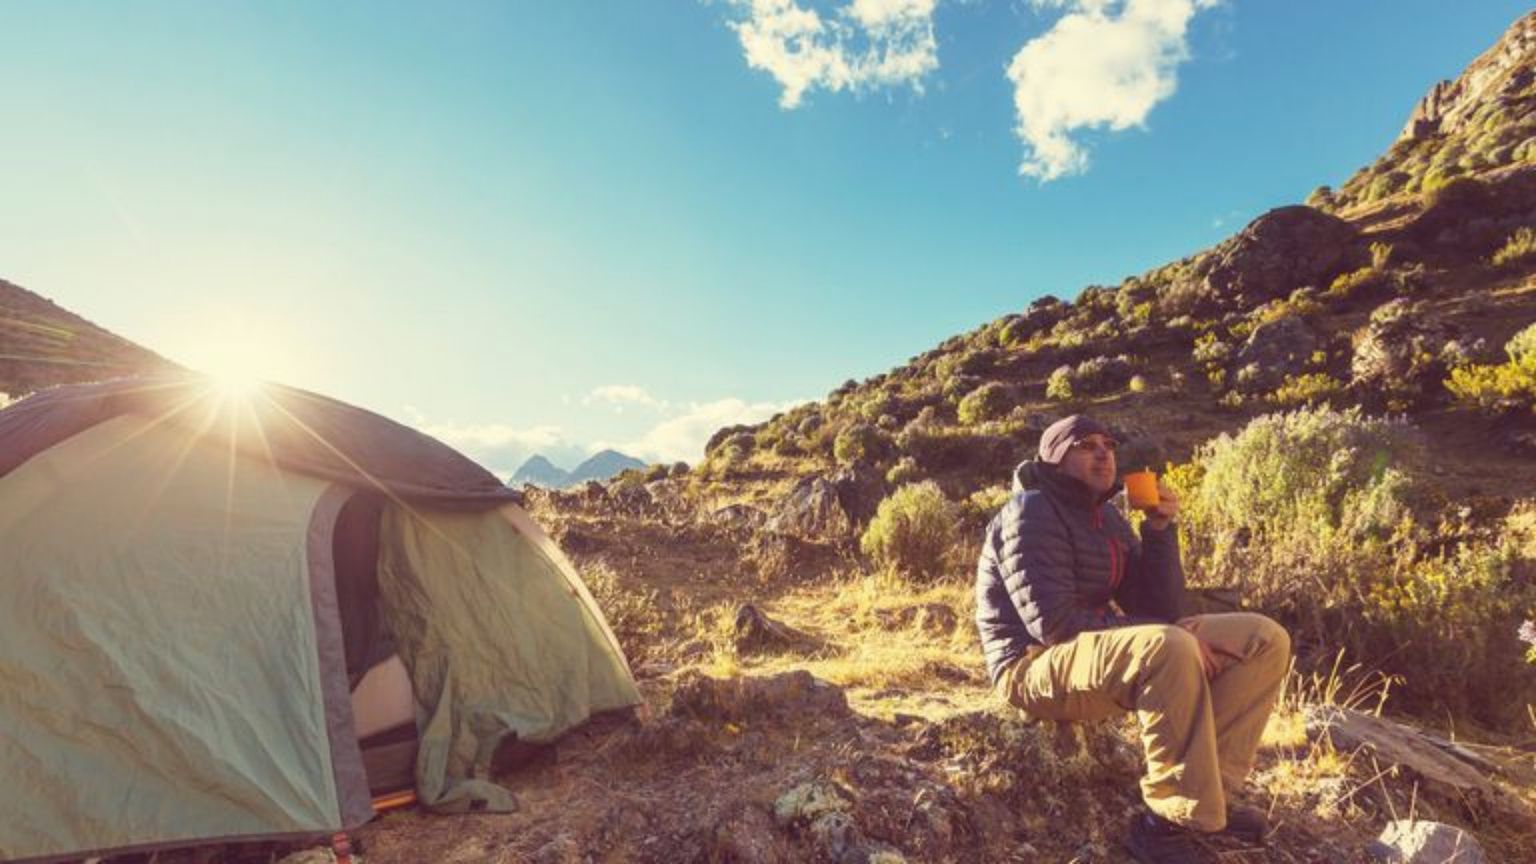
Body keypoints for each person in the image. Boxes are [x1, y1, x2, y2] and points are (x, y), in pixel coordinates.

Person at [975, 415, 1290, 864]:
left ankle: (1210, 796)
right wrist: (1164, 634)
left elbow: (1163, 609)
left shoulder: (1106, 518)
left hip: (1094, 656)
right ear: (1054, 458)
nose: (1103, 453)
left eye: (1108, 444)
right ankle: (1164, 823)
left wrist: (1159, 531)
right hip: (1031, 666)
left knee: (1264, 639)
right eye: (1085, 445)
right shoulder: (1030, 510)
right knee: (1168, 645)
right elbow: (1054, 625)